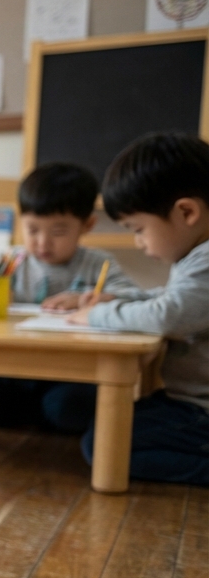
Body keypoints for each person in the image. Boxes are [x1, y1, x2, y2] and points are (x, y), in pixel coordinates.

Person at [0, 162, 142, 433]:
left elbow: (136, 297)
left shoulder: (98, 264)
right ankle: (42, 411)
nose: (43, 243)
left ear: (87, 224)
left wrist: (99, 297)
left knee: (69, 408)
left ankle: (45, 411)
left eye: (58, 232)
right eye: (32, 230)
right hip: (16, 369)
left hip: (75, 373)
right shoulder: (12, 262)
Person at [67, 132, 209, 484]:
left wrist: (96, 316)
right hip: (190, 402)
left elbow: (166, 315)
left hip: (202, 411)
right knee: (106, 427)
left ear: (186, 212)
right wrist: (123, 300)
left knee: (105, 447)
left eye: (139, 229)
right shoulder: (198, 257)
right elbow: (178, 300)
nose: (138, 242)